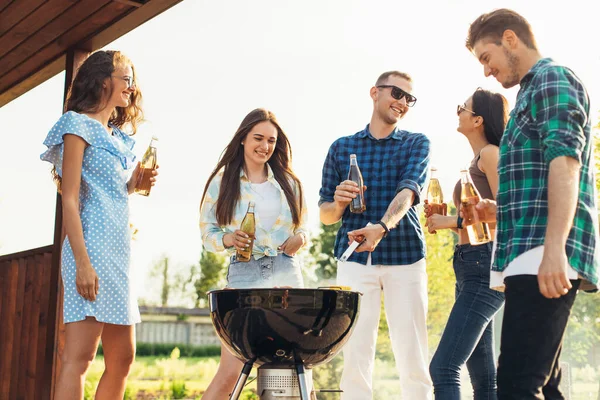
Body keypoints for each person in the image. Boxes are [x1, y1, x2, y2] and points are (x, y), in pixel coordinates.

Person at [465, 9, 599, 399]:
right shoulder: (530, 92)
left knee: (516, 386)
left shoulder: (553, 79)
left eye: (485, 57)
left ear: (510, 39)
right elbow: (539, 178)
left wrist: (555, 248)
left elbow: (565, 163)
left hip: (544, 251)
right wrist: (497, 209)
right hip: (530, 251)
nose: (486, 71)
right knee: (543, 386)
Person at [40, 50, 158, 400]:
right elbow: (71, 198)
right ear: (103, 80)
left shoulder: (117, 138)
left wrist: (135, 184)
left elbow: (113, 192)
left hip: (119, 255)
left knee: (123, 358)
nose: (131, 88)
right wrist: (83, 263)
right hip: (89, 248)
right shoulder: (77, 125)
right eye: (126, 78)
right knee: (79, 357)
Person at [319, 71, 432, 399]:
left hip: (405, 258)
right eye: (397, 93)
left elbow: (408, 192)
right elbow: (326, 215)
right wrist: (338, 202)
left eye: (409, 98)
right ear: (375, 92)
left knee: (412, 353)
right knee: (355, 354)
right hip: (355, 260)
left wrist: (381, 228)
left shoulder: (416, 143)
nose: (402, 102)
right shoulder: (342, 148)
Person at [199, 108, 308, 399]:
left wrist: (301, 238)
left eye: (271, 140)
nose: (265, 146)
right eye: (258, 138)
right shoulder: (222, 182)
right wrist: (229, 239)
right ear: (243, 139)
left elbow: (303, 228)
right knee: (232, 369)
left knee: (296, 369)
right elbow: (207, 235)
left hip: (285, 270)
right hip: (244, 272)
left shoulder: (289, 183)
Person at [425, 88, 508, 399]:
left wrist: (452, 221)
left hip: (483, 268)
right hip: (469, 264)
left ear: (478, 119)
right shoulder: (476, 159)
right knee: (484, 380)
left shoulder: (490, 154)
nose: (457, 111)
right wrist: (447, 221)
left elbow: (506, 212)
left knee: (443, 368)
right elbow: (476, 223)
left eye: (463, 107)